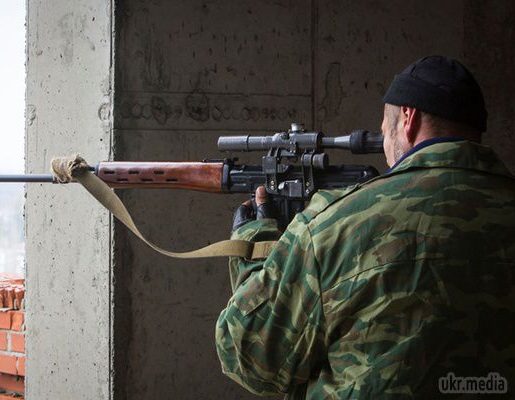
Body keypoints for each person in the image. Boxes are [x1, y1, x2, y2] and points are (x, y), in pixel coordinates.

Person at [216, 55, 515, 399]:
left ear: (408, 118)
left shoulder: (331, 224)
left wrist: (253, 248)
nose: (386, 149)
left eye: (384, 131)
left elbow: (252, 358)